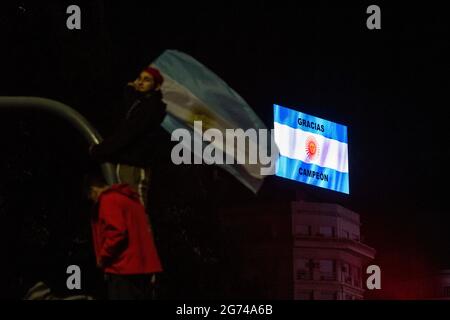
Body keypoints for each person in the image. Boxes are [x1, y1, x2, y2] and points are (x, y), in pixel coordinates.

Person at [90, 66, 167, 208]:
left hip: (135, 167)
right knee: (127, 209)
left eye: (147, 80)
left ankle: (143, 231)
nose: (140, 82)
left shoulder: (151, 108)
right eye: (139, 78)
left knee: (136, 209)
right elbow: (130, 111)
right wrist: (129, 90)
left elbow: (127, 134)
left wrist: (100, 150)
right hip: (127, 164)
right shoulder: (141, 104)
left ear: (156, 86)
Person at [86, 173, 163, 300]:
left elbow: (116, 232)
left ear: (93, 189)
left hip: (123, 268)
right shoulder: (130, 199)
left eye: (89, 196)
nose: (91, 200)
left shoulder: (108, 199)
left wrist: (103, 257)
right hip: (142, 268)